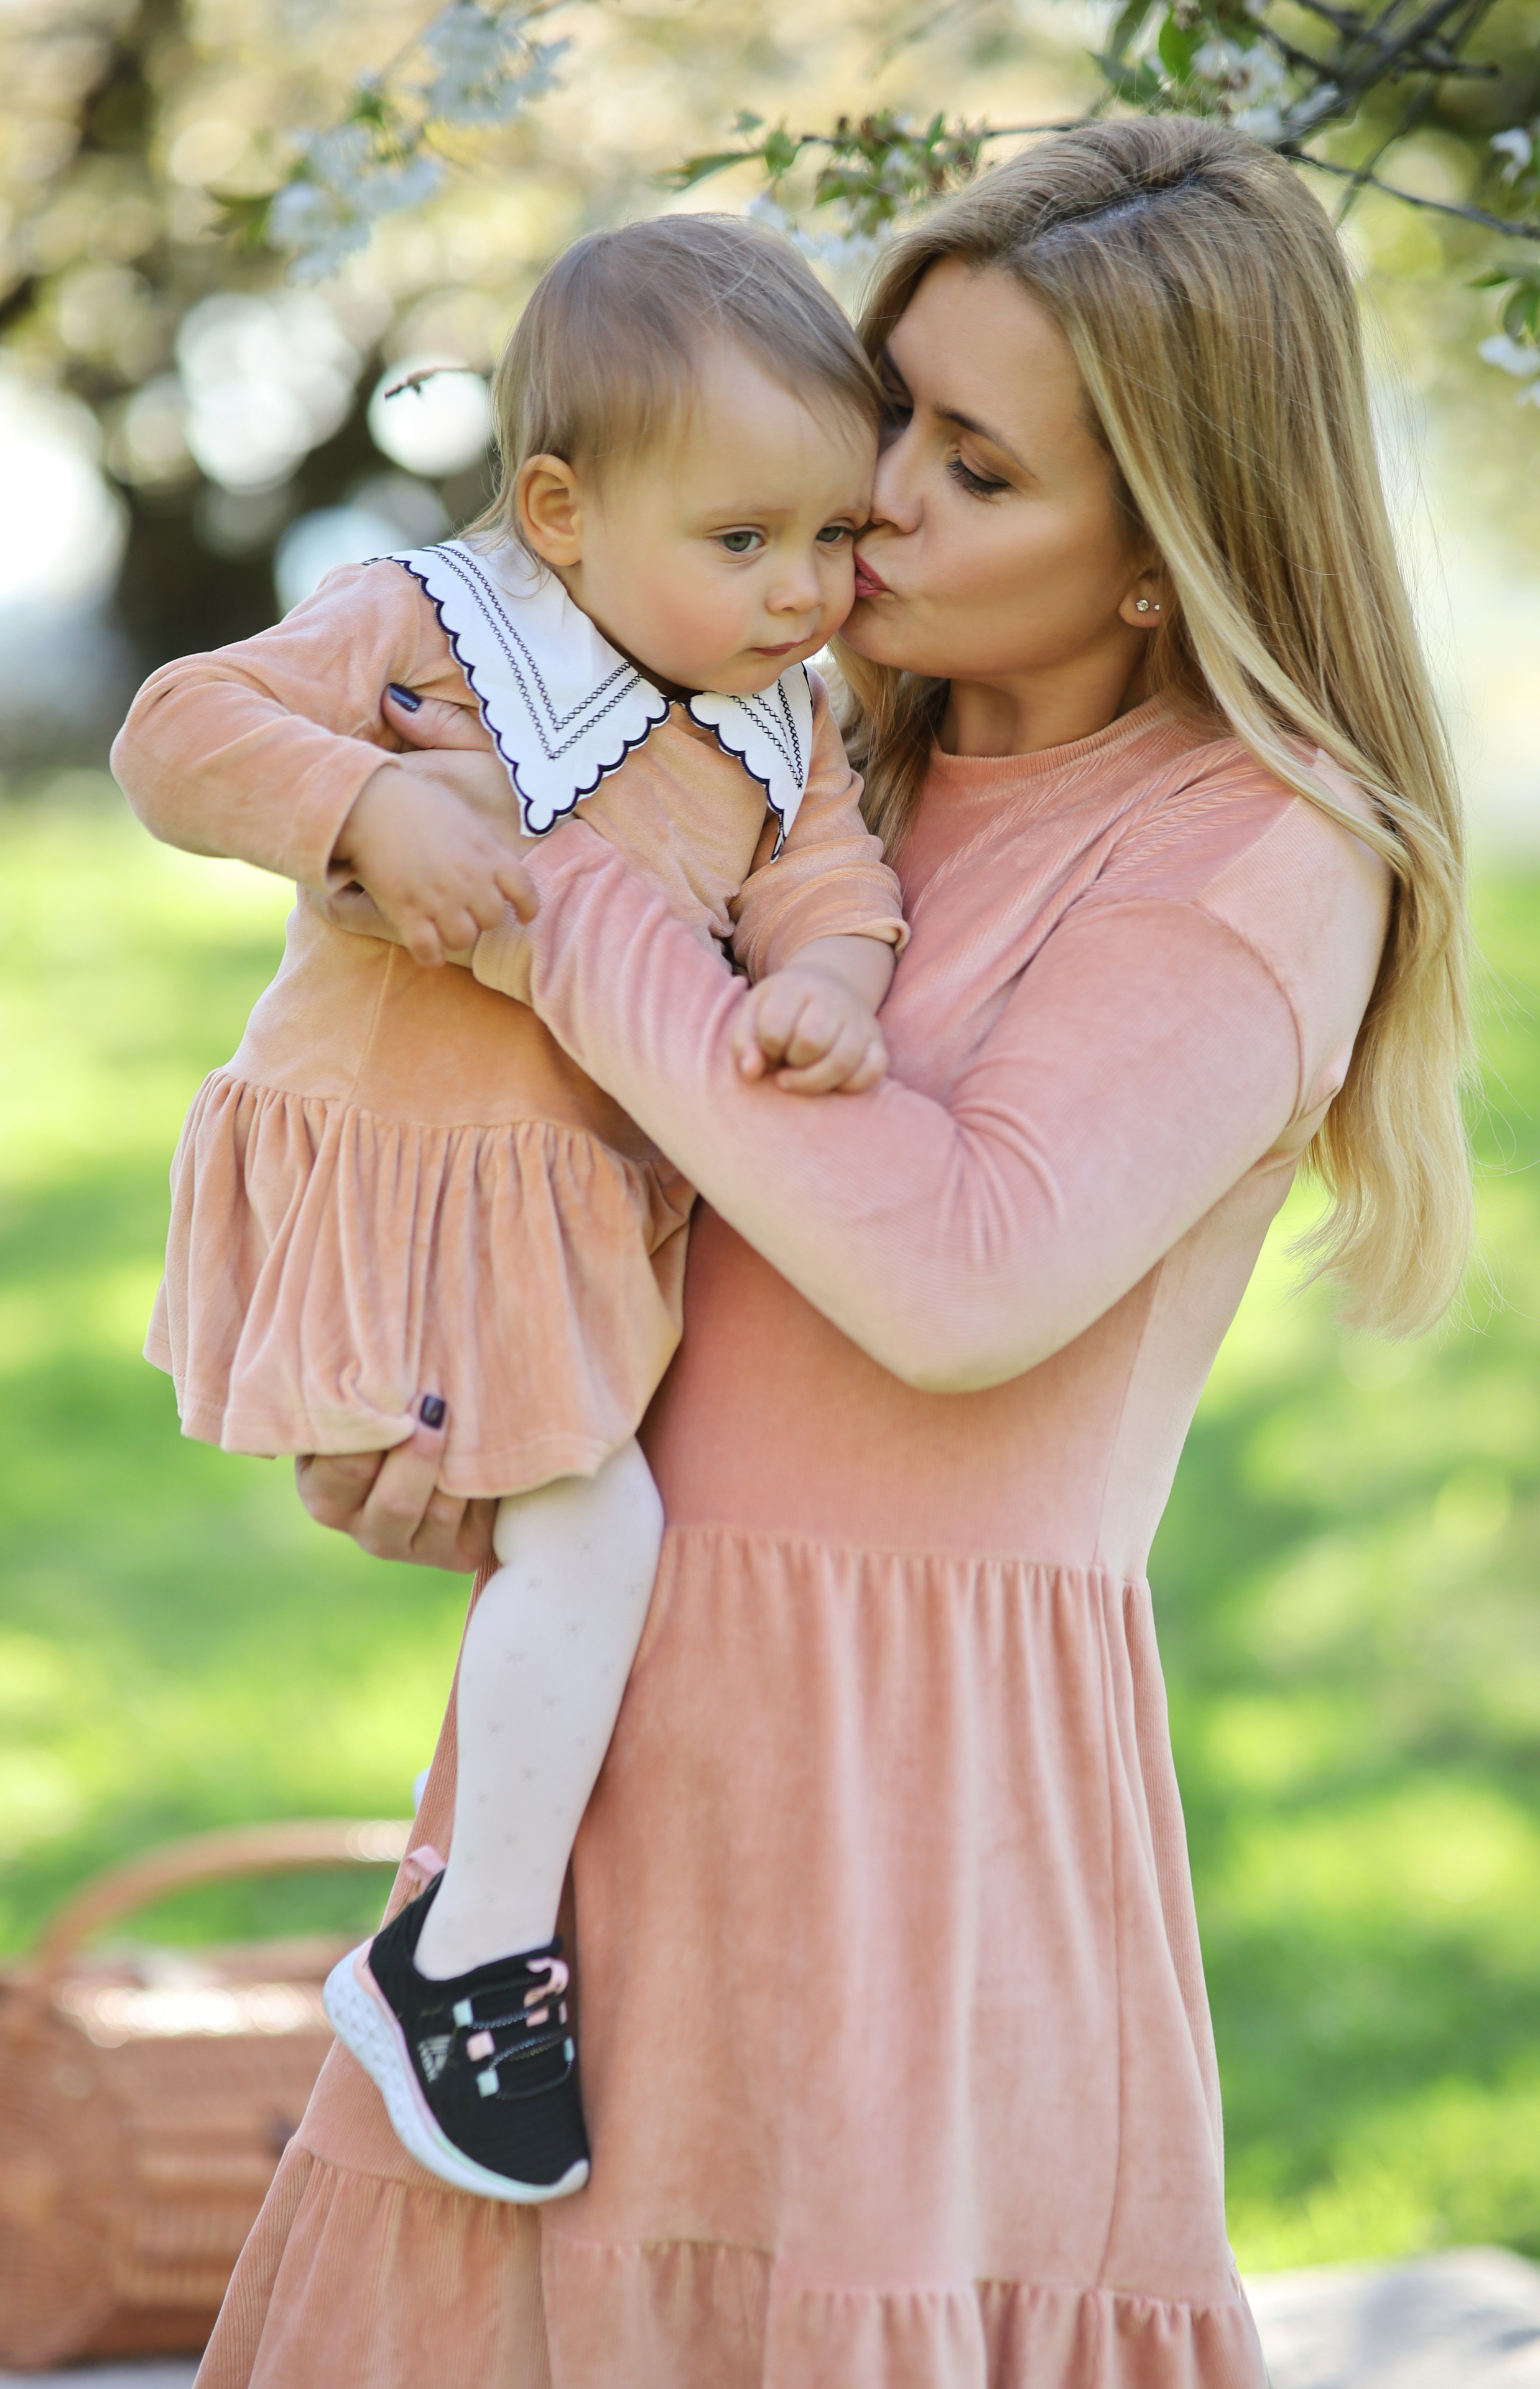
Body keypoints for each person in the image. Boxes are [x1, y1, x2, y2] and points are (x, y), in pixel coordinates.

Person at [155, 118, 1468, 2389]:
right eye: (886, 428)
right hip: (583, 1777)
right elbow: (582, 1194)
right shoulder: (787, 740)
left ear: (1163, 556)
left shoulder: (1256, 857)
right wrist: (451, 1417)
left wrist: (535, 885)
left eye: (970, 470)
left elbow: (957, 1277)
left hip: (905, 1804)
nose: (875, 514)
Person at [110, 213, 909, 2205]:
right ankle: (470, 1945)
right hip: (392, 1174)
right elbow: (178, 730)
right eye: (743, 540)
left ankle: (473, 1888)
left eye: (833, 538)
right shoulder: (423, 617)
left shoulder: (776, 718)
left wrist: (823, 985)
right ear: (558, 506)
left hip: (561, 1216)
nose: (804, 590)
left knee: (570, 1548)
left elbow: (828, 887)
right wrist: (358, 806)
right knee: (591, 1532)